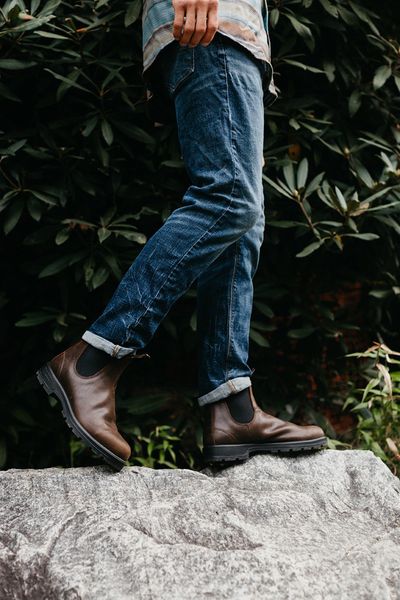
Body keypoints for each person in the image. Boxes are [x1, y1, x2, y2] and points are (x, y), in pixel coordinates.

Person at [36, 0, 327, 471]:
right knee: (230, 198)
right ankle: (94, 359)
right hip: (215, 30)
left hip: (235, 41)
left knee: (242, 224)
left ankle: (231, 406)